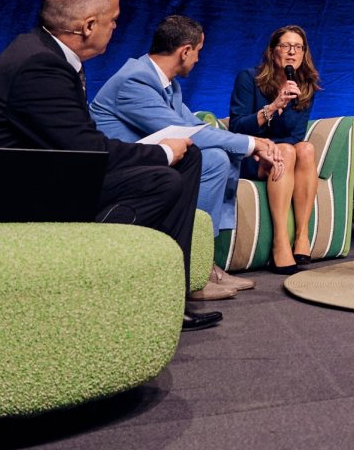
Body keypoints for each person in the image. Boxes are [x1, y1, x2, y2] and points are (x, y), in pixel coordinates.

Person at [0, 0, 221, 331]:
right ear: (88, 26)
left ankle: (170, 297)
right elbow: (86, 151)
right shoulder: (39, 64)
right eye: (113, 20)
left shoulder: (48, 53)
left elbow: (77, 143)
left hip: (34, 177)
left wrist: (162, 152)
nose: (115, 28)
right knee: (163, 180)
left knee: (187, 159)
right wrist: (160, 153)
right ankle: (86, 284)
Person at [91, 15, 285, 299]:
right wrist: (251, 143)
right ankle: (193, 268)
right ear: (185, 51)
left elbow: (195, 128)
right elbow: (182, 132)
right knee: (215, 159)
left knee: (219, 155)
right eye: (198, 51)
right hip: (121, 172)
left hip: (152, 164)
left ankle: (202, 262)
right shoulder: (135, 80)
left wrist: (253, 144)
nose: (198, 59)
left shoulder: (167, 84)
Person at [229, 25, 323, 274]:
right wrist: (273, 107)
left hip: (281, 153)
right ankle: (280, 241)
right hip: (252, 155)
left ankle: (301, 236)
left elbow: (296, 134)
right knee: (288, 151)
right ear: (272, 52)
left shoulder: (305, 86)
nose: (292, 52)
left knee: (305, 149)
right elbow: (237, 127)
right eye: (286, 46)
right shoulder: (249, 78)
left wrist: (287, 108)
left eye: (298, 47)